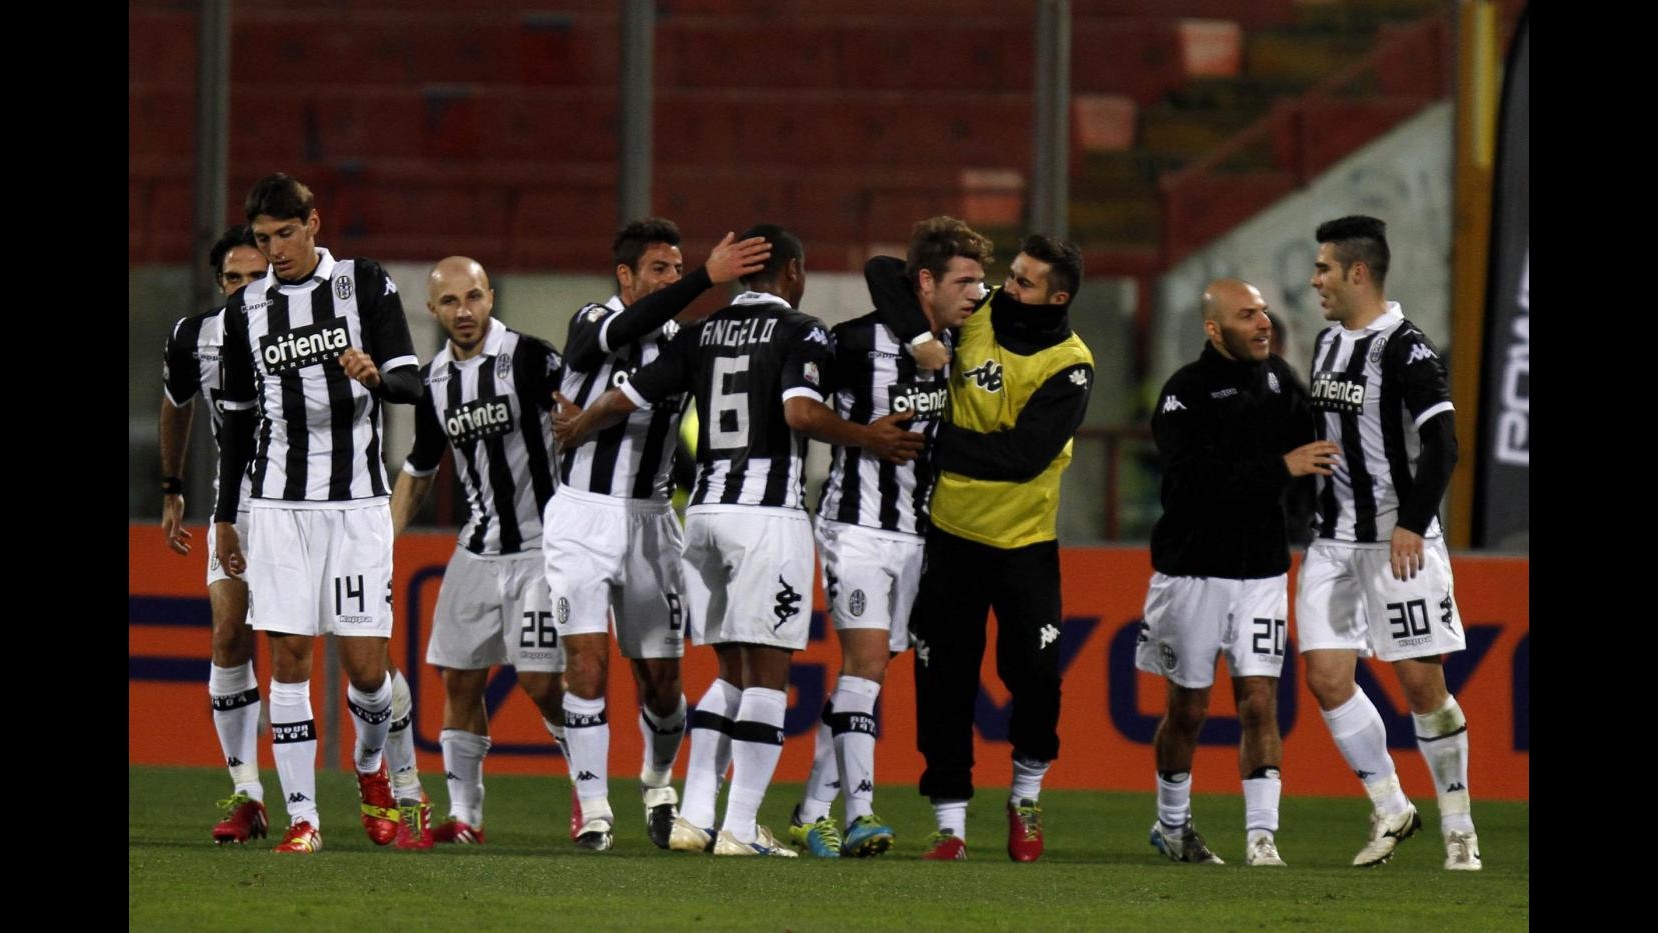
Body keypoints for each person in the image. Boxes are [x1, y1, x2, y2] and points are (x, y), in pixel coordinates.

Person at [555, 224, 922, 858]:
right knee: (768, 680)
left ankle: (697, 816)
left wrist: (581, 423)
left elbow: (631, 394)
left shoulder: (701, 332)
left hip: (702, 518)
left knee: (727, 673)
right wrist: (870, 437)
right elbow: (801, 413)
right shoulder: (801, 330)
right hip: (765, 516)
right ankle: (743, 827)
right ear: (794, 273)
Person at [213, 173, 424, 854]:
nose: (273, 248)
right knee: (291, 656)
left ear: (313, 224)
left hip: (358, 505)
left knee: (368, 670)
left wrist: (375, 378)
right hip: (277, 505)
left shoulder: (363, 284)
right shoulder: (247, 308)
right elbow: (239, 421)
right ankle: (304, 817)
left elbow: (411, 382)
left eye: (283, 233)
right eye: (262, 238)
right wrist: (225, 513)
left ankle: (369, 768)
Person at [544, 219, 770, 851]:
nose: (672, 279)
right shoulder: (594, 320)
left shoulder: (686, 341)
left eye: (679, 269)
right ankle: (593, 810)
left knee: (664, 686)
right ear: (626, 276)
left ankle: (657, 781)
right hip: (582, 516)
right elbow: (603, 347)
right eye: (660, 270)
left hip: (651, 519)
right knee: (585, 664)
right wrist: (705, 279)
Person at [867, 234, 1094, 862]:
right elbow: (885, 268)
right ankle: (950, 824)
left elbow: (1022, 458)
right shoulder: (981, 311)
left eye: (1024, 281)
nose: (1006, 287)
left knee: (1036, 677)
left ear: (1059, 297)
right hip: (949, 537)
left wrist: (936, 444)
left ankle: (1025, 796)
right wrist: (919, 339)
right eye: (1011, 275)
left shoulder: (1070, 365)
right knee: (944, 681)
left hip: (1025, 543)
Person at [786, 216, 991, 859]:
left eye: (982, 283)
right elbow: (805, 410)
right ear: (925, 282)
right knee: (867, 667)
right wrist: (865, 435)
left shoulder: (965, 345)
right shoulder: (852, 343)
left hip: (919, 534)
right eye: (965, 281)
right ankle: (860, 815)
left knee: (866, 681)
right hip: (855, 525)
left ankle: (809, 811)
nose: (977, 295)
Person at [1137, 279, 1339, 867]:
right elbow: (1193, 485)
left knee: (1259, 701)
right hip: (1194, 571)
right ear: (1213, 328)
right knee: (1189, 710)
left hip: (1263, 571)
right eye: (1246, 314)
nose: (1262, 323)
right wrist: (1282, 467)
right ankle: (1172, 825)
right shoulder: (1184, 394)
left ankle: (1261, 836)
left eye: (1264, 313)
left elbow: (1320, 441)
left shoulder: (1279, 379)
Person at [1298, 215, 1479, 870]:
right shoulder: (1323, 344)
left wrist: (1412, 521)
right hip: (1333, 541)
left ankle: (1459, 824)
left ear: (1357, 272)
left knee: (1422, 686)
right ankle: (1391, 804)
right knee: (1324, 676)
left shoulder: (1407, 348)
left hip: (1398, 542)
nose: (1314, 278)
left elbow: (1444, 442)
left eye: (1323, 267)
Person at [388, 256, 573, 845]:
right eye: (450, 302)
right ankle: (465, 816)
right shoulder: (433, 381)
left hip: (544, 545)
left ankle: (588, 789)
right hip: (477, 549)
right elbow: (418, 470)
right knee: (459, 679)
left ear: (491, 297)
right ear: (432, 309)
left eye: (473, 297)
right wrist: (382, 542)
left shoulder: (531, 357)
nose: (463, 311)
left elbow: (579, 424)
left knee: (542, 682)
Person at [160, 224, 274, 844]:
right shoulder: (193, 336)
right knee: (230, 635)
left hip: (311, 507)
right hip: (236, 510)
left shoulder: (307, 329)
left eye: (258, 276)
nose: (247, 289)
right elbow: (177, 402)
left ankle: (396, 781)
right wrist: (172, 486)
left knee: (358, 654)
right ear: (219, 283)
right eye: (235, 278)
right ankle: (247, 794)